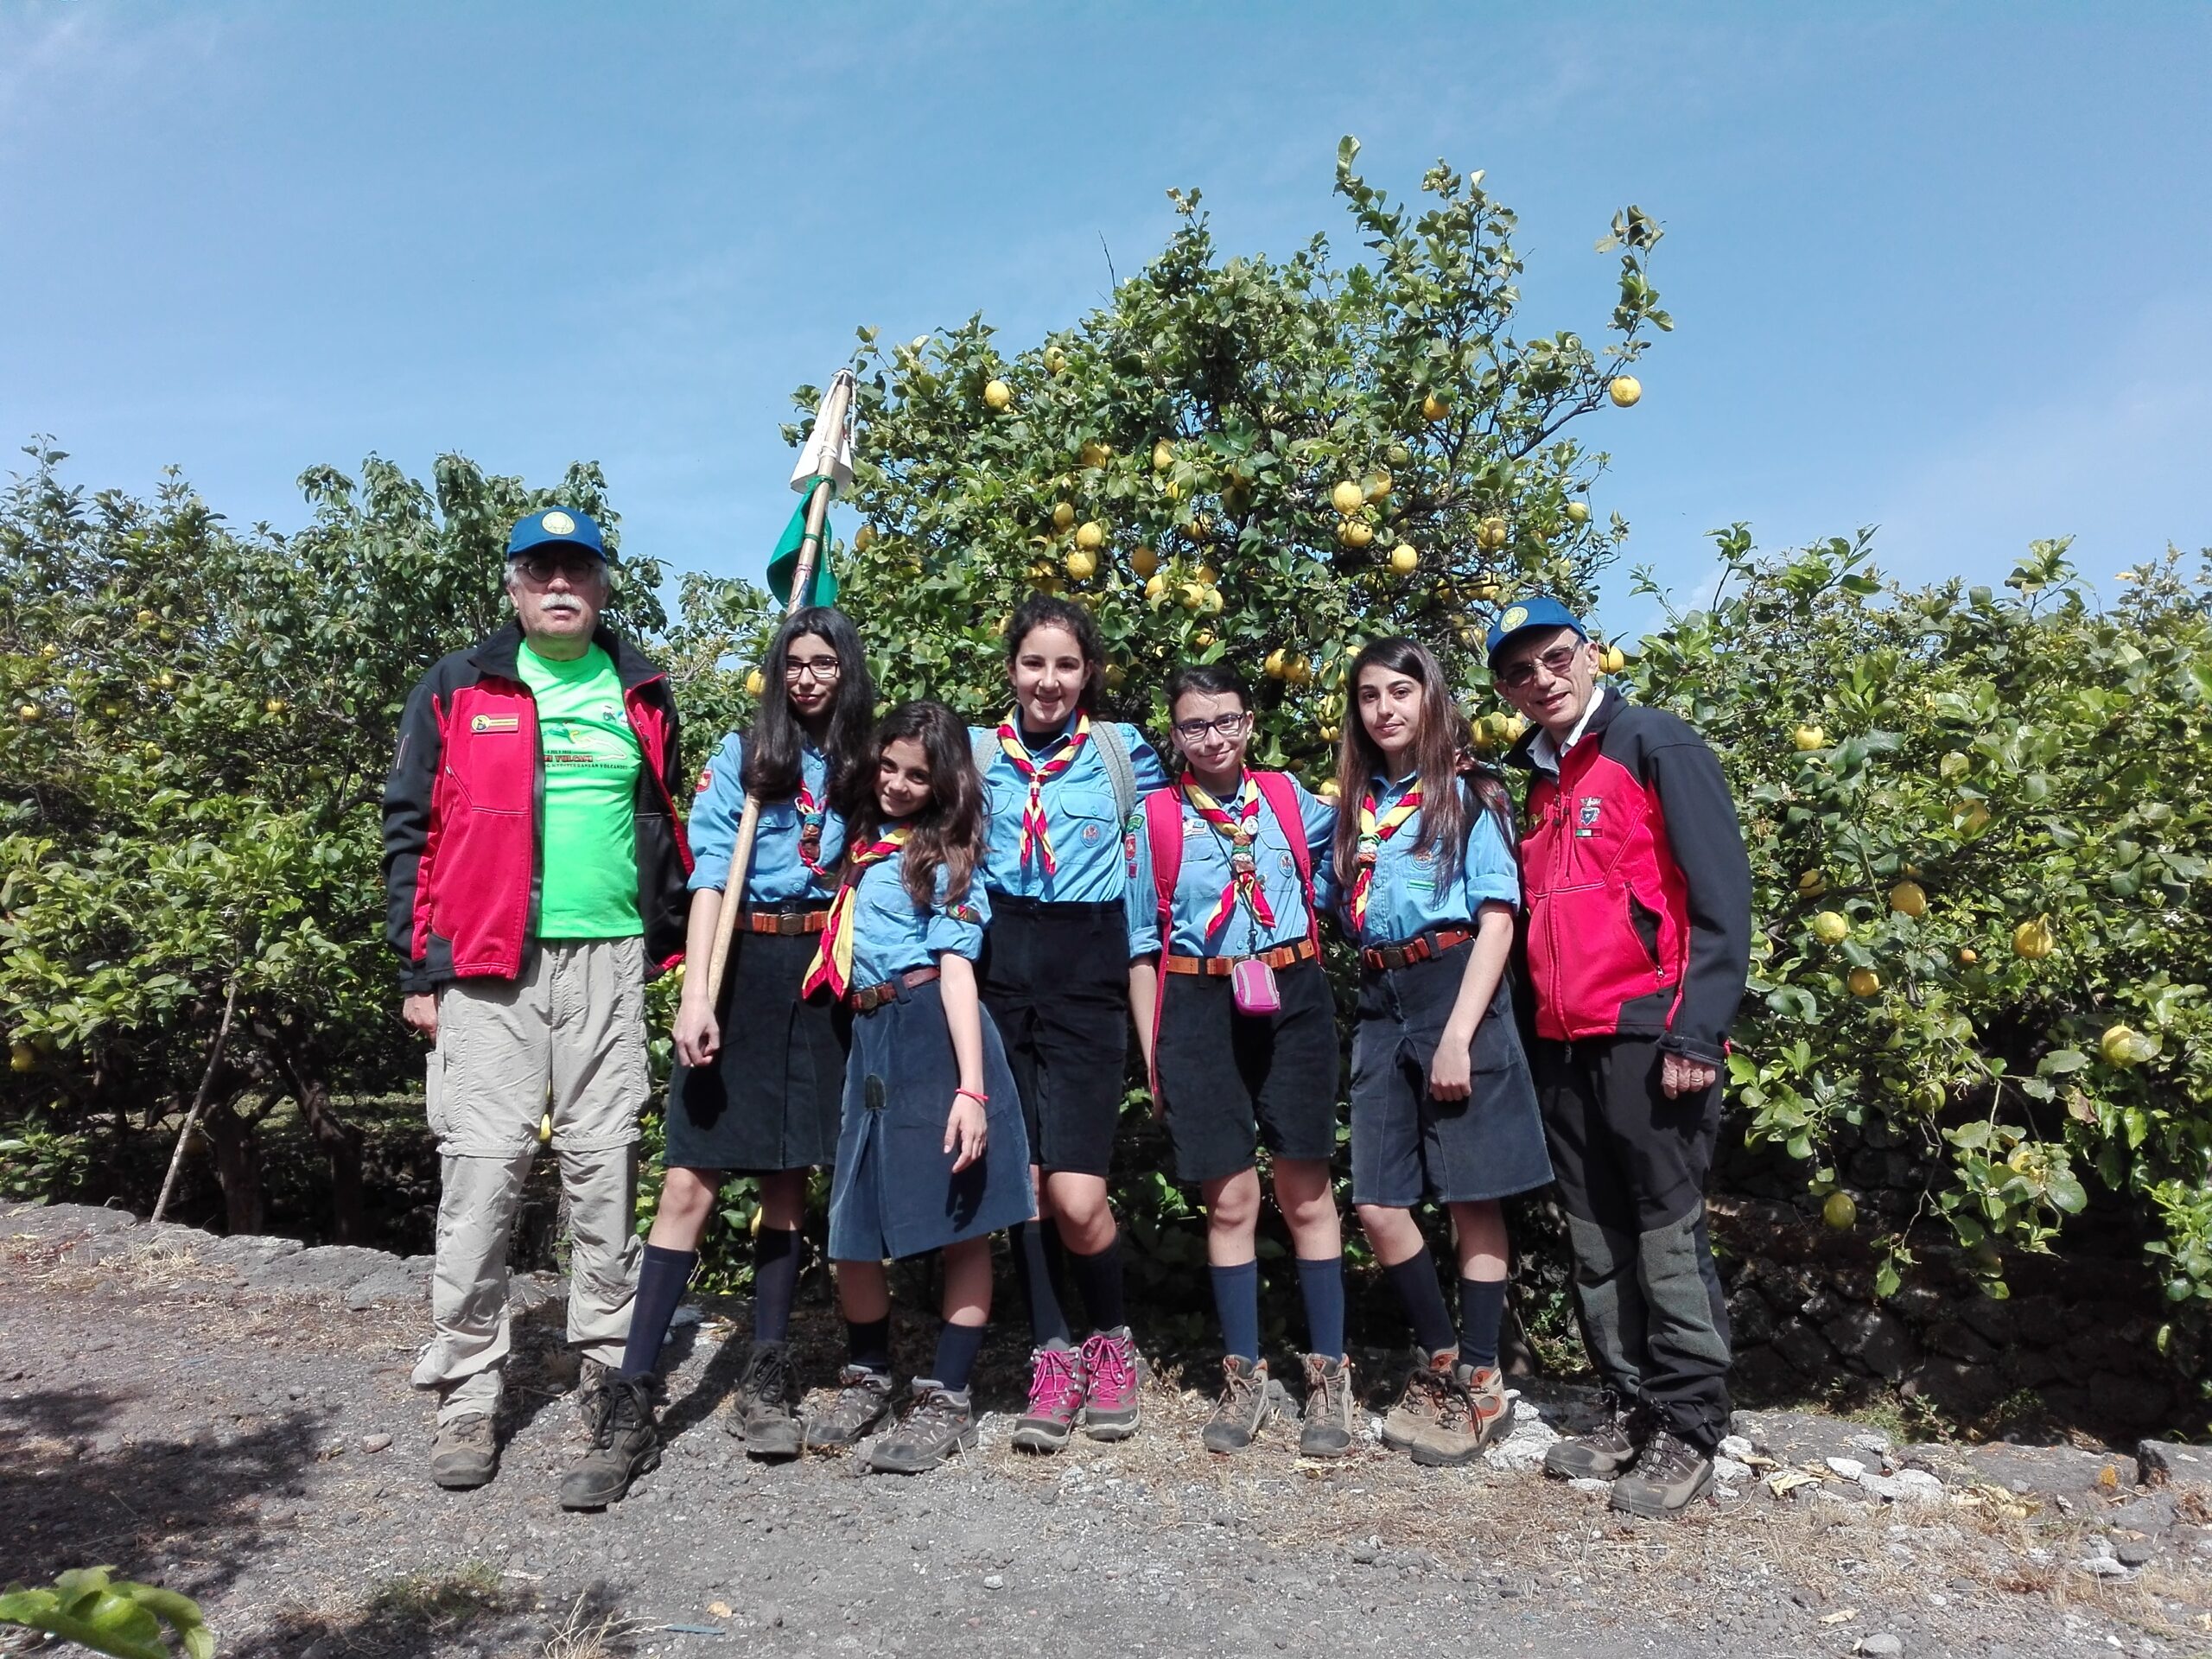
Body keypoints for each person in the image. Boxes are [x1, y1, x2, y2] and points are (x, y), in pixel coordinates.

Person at [380, 506, 690, 1508]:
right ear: (512, 587)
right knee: (483, 1168)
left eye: (578, 570)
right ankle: (468, 1382)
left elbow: (660, 816)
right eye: (540, 569)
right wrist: (418, 968)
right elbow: (412, 826)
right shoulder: (458, 685)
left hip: (610, 957)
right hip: (484, 964)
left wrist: (670, 938)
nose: (560, 584)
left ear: (601, 587)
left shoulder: (640, 689)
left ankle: (607, 1359)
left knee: (605, 1163)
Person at [1490, 596, 1752, 1518]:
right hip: (1562, 1042)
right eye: (1518, 673)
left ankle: (1689, 1423)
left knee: (1665, 1232)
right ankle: (1627, 1401)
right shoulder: (1536, 780)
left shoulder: (1652, 743)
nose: (1541, 680)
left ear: (1589, 653)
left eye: (1554, 658)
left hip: (1649, 1031)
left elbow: (1721, 897)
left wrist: (1695, 1030)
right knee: (1594, 1235)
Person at [607, 607, 875, 1466]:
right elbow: (711, 879)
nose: (807, 677)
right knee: (691, 1177)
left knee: (788, 1180)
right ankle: (634, 1386)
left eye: (823, 662)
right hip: (744, 964)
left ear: (845, 670)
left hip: (824, 975)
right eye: (794, 661)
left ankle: (766, 1371)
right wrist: (697, 995)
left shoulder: (863, 762)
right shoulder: (745, 757)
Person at [1333, 638, 1552, 1469]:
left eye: (1401, 690)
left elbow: (1499, 916)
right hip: (1379, 997)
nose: (1385, 708)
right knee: (1380, 1202)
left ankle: (1484, 1379)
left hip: (1454, 985)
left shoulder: (1469, 792)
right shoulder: (1356, 807)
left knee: (1471, 1195)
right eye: (1368, 696)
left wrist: (1459, 1033)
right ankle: (1440, 1361)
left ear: (1430, 698)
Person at [804, 700, 1034, 1475]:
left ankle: (949, 1391)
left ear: (943, 784)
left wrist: (973, 1090)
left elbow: (959, 968)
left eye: (917, 775)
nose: (898, 784)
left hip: (932, 1029)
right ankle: (868, 1371)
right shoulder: (861, 842)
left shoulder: (945, 856)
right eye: (890, 767)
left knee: (958, 1212)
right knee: (854, 1213)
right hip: (869, 1036)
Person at [1127, 663, 1351, 1457]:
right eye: (1194, 725)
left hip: (1292, 995)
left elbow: (1357, 843)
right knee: (1229, 1199)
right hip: (1197, 1004)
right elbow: (1140, 951)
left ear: (1249, 722)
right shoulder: (1155, 817)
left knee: (1305, 1190)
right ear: (1175, 735)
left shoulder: (1290, 799)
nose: (1212, 737)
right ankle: (1244, 1375)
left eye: (1226, 720)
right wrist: (1155, 1056)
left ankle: (1329, 1378)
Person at [970, 595, 1167, 1453]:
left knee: (1077, 1193)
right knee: (1025, 1181)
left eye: (1065, 665)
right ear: (1011, 668)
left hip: (1088, 973)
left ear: (1088, 674)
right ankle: (1051, 1352)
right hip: (998, 969)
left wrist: (1156, 1044)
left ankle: (1112, 1341)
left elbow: (1149, 906)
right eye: (1032, 663)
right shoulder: (975, 758)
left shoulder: (1127, 758)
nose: (1047, 681)